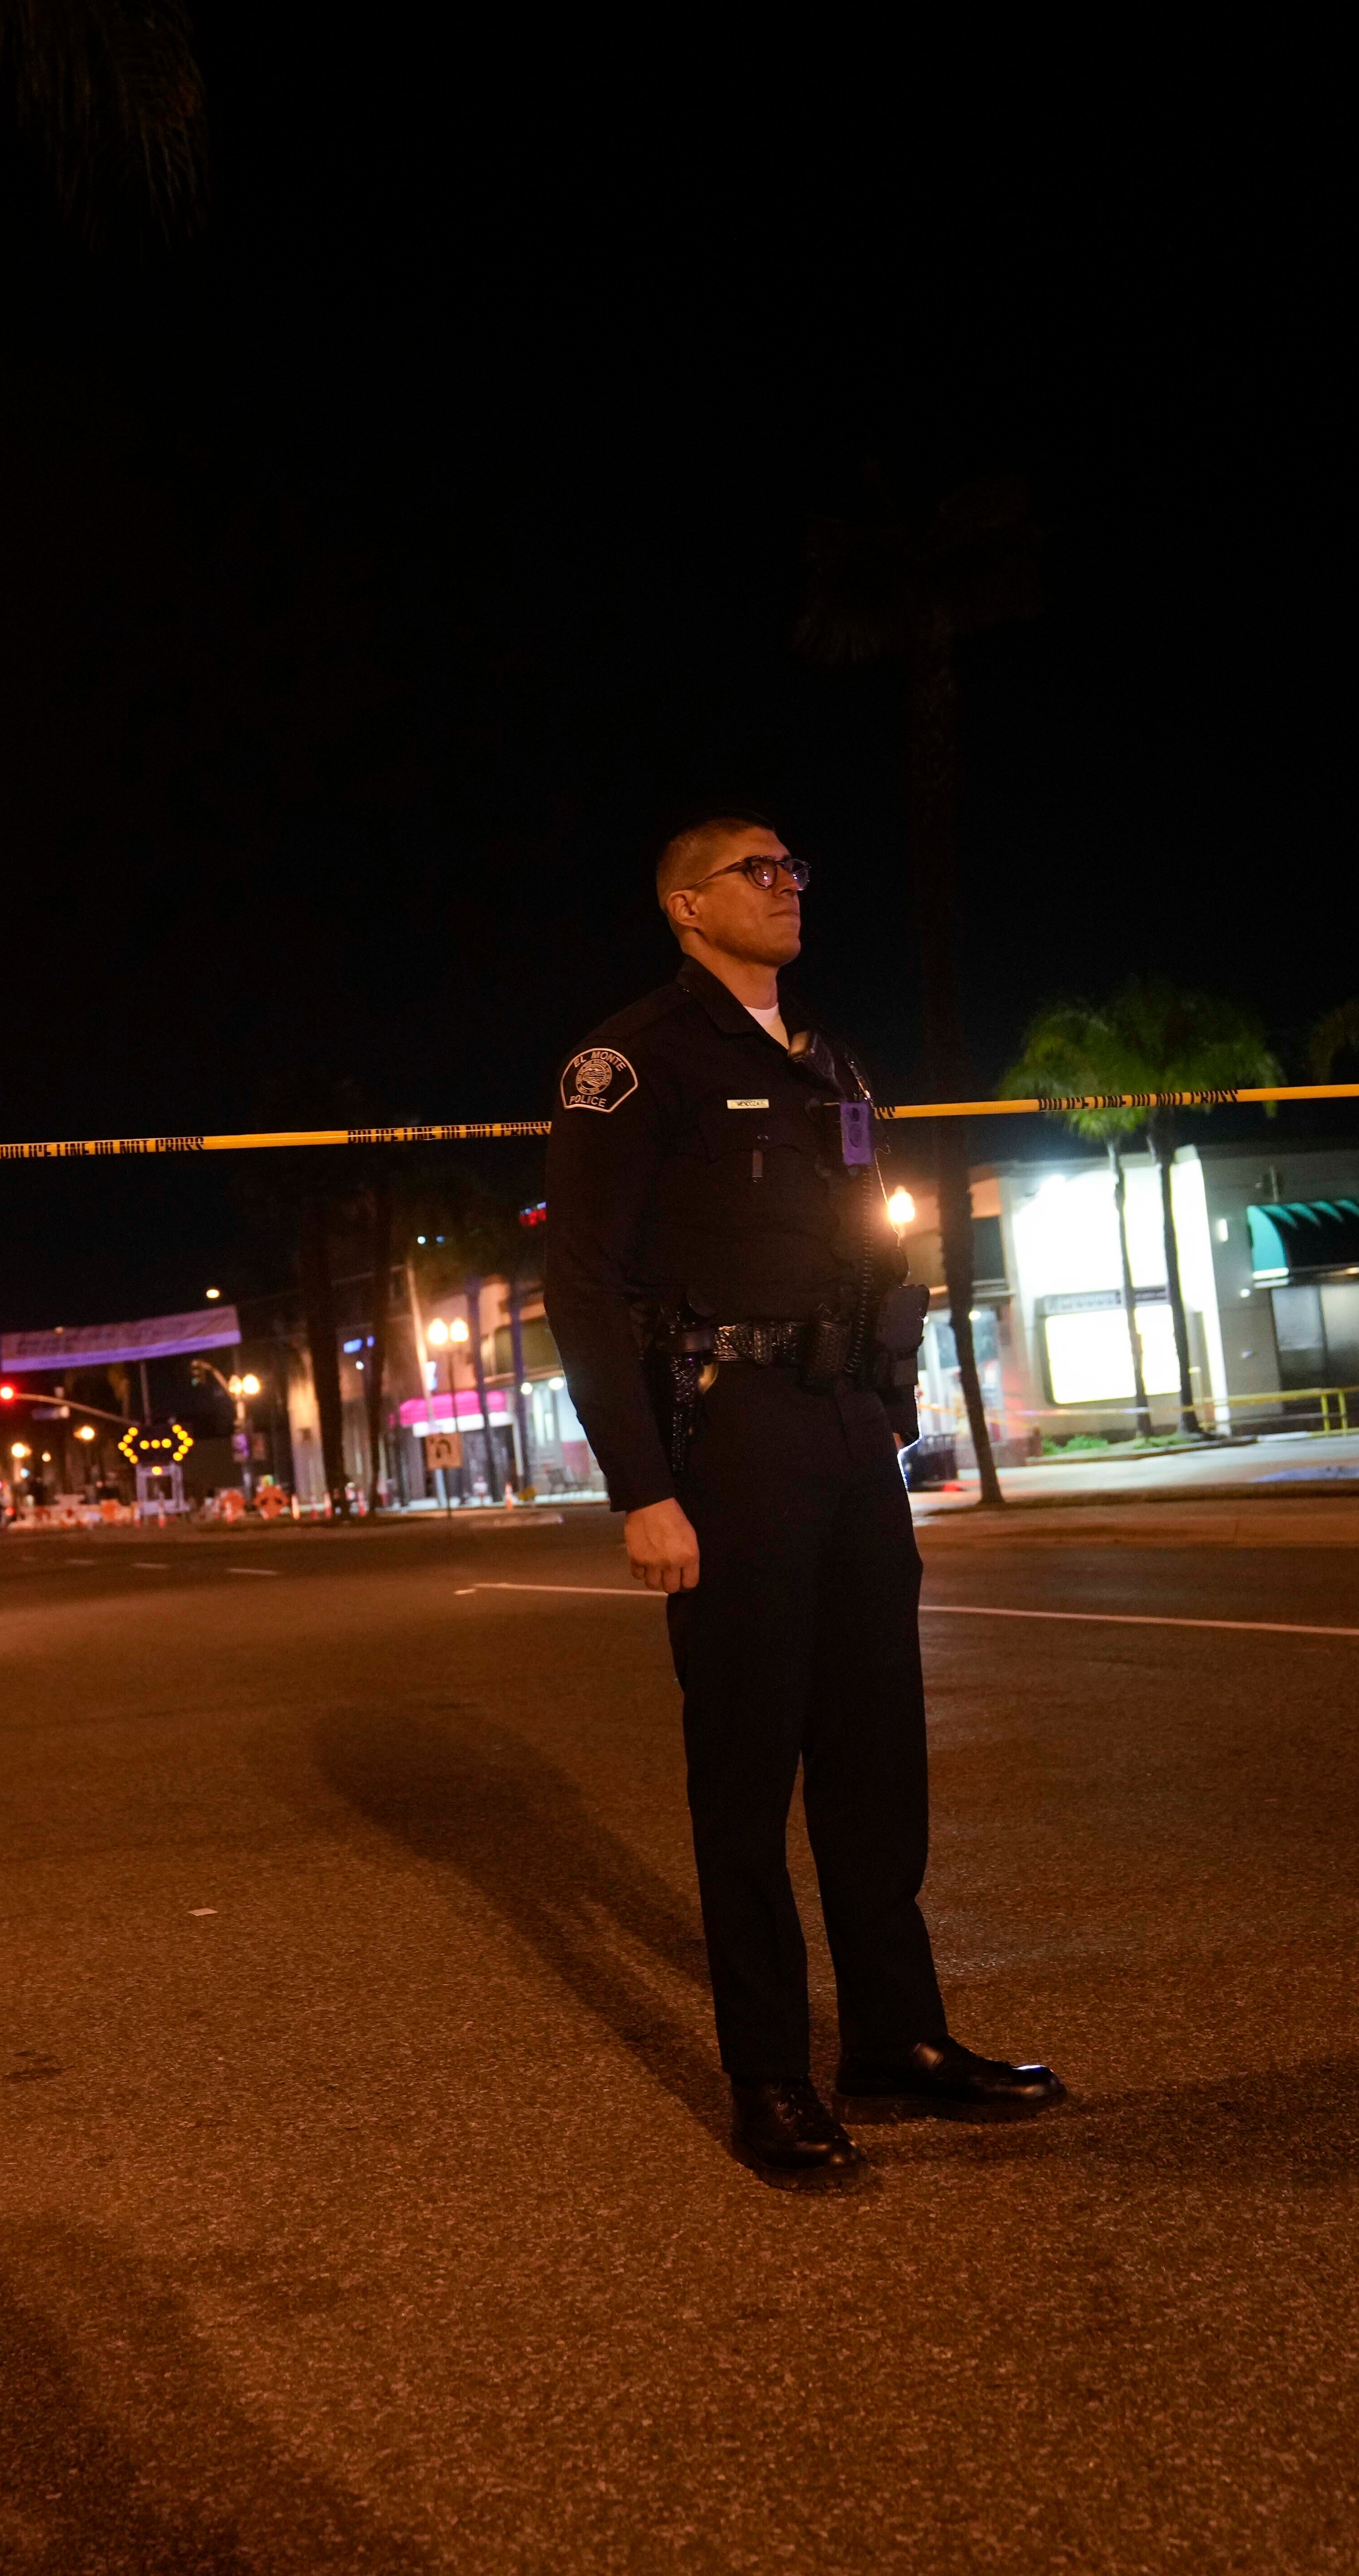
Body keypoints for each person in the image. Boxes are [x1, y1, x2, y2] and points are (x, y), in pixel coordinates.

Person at [540, 815, 1064, 2186]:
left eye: (795, 871)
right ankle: (768, 2077)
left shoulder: (830, 1058)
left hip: (844, 1432)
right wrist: (642, 1490)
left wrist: (892, 1404)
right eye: (756, 873)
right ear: (685, 905)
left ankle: (896, 2038)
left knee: (879, 1755)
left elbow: (868, 1241)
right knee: (746, 1775)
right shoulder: (633, 1062)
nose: (786, 889)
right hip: (729, 1439)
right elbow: (583, 1286)